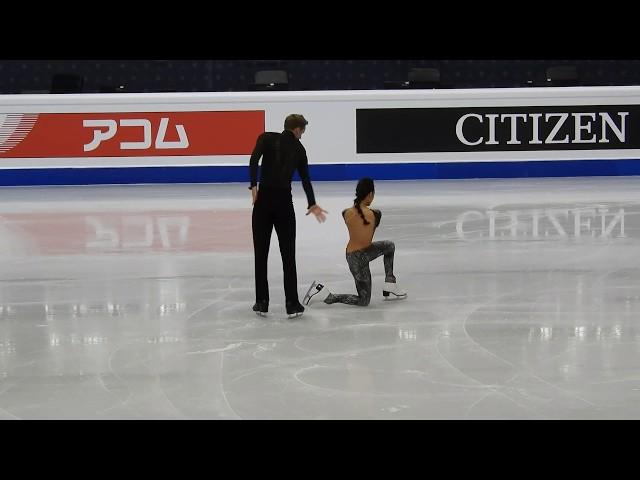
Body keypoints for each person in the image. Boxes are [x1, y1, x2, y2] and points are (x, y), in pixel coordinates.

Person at [249, 114, 328, 318]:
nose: (302, 135)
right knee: (288, 255)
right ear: (297, 129)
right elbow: (306, 180)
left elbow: (253, 160)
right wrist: (312, 203)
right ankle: (292, 304)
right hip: (284, 203)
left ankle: (261, 302)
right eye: (303, 131)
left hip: (263, 202)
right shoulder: (299, 149)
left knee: (261, 254)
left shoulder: (266, 138)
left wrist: (254, 186)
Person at [303, 177, 406, 307]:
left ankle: (390, 283)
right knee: (364, 300)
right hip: (361, 257)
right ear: (370, 194)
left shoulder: (345, 213)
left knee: (389, 245)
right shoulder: (376, 214)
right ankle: (326, 296)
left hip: (353, 256)